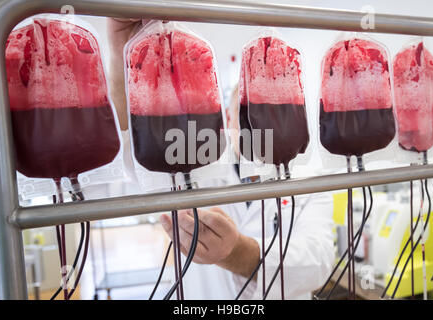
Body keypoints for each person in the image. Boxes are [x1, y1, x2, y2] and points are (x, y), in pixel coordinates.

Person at [107, 19, 335, 300]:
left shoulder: (308, 179)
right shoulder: (196, 159)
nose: (262, 128)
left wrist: (237, 252)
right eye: (247, 115)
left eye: (274, 116)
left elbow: (321, 262)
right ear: (228, 119)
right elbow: (132, 155)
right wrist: (121, 58)